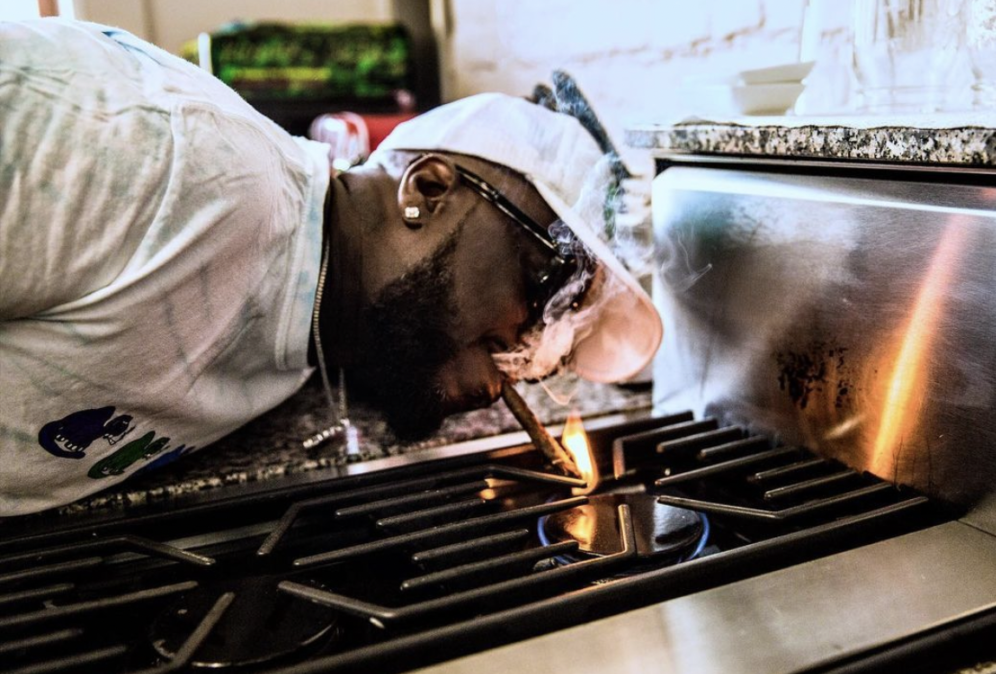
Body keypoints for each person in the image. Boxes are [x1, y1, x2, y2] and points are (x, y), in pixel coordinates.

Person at [0, 19, 662, 516]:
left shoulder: (310, 325)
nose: (533, 354)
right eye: (545, 285)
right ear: (427, 189)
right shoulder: (175, 164)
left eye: (562, 337)